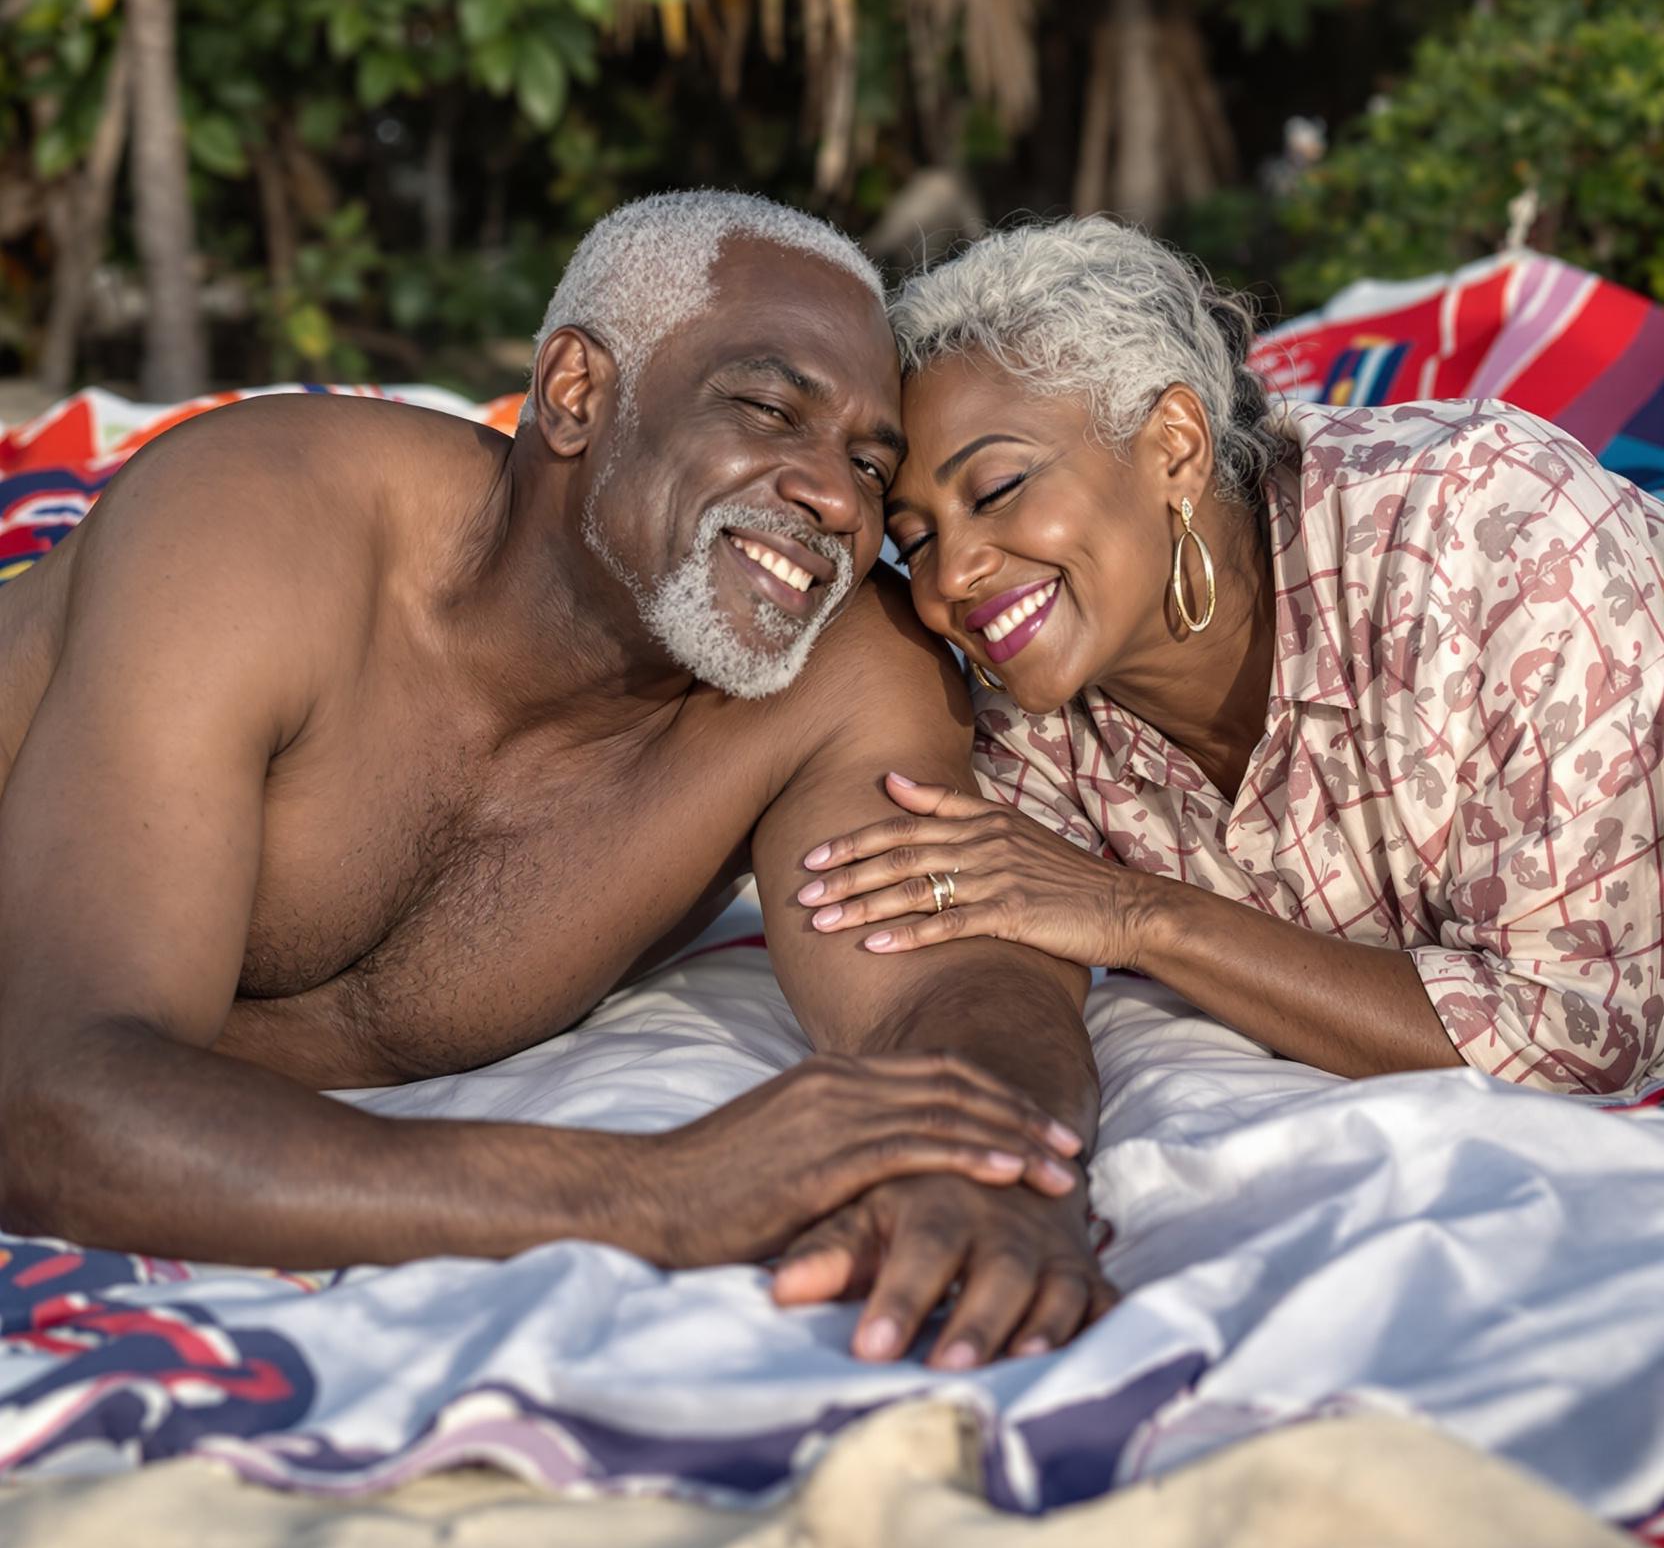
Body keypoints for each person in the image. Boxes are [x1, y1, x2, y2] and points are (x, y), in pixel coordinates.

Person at [0, 193, 1109, 1372]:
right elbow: (49, 1099)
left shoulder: (831, 666)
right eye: (766, 408)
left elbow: (953, 975)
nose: (836, 501)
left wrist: (989, 1162)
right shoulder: (261, 528)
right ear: (576, 393)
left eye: (866, 464)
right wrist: (645, 1194)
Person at [795, 216, 1664, 1098]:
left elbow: (1580, 1036)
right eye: (917, 538)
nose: (954, 575)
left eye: (997, 490)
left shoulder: (1489, 539)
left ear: (1175, 446)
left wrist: (1142, 918)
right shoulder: (1024, 726)